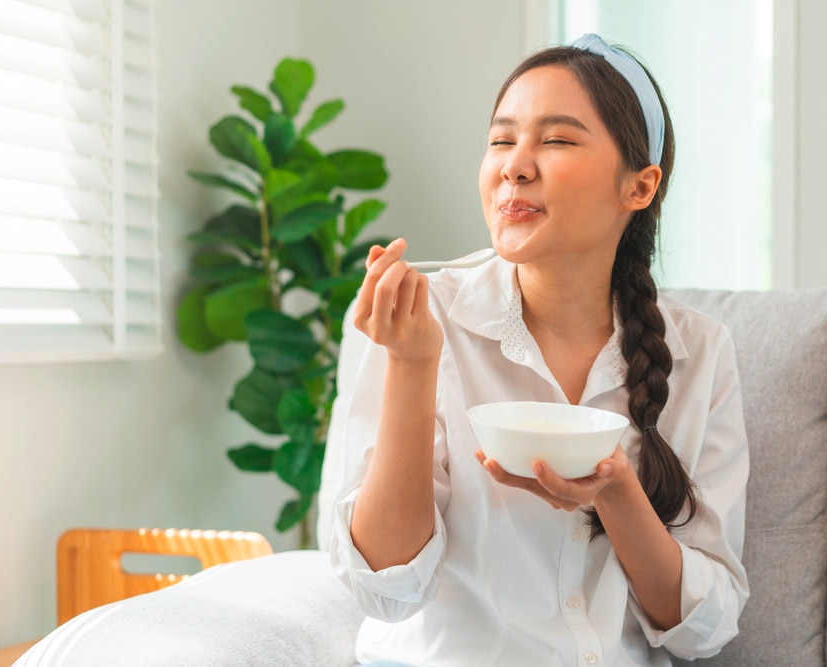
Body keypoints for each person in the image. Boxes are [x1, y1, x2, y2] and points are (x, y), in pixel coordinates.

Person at [318, 33, 749, 667]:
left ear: (640, 186)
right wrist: (412, 366)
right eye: (501, 140)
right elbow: (383, 587)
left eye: (557, 139)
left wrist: (615, 492)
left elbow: (702, 629)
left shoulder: (700, 351)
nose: (515, 166)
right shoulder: (412, 322)